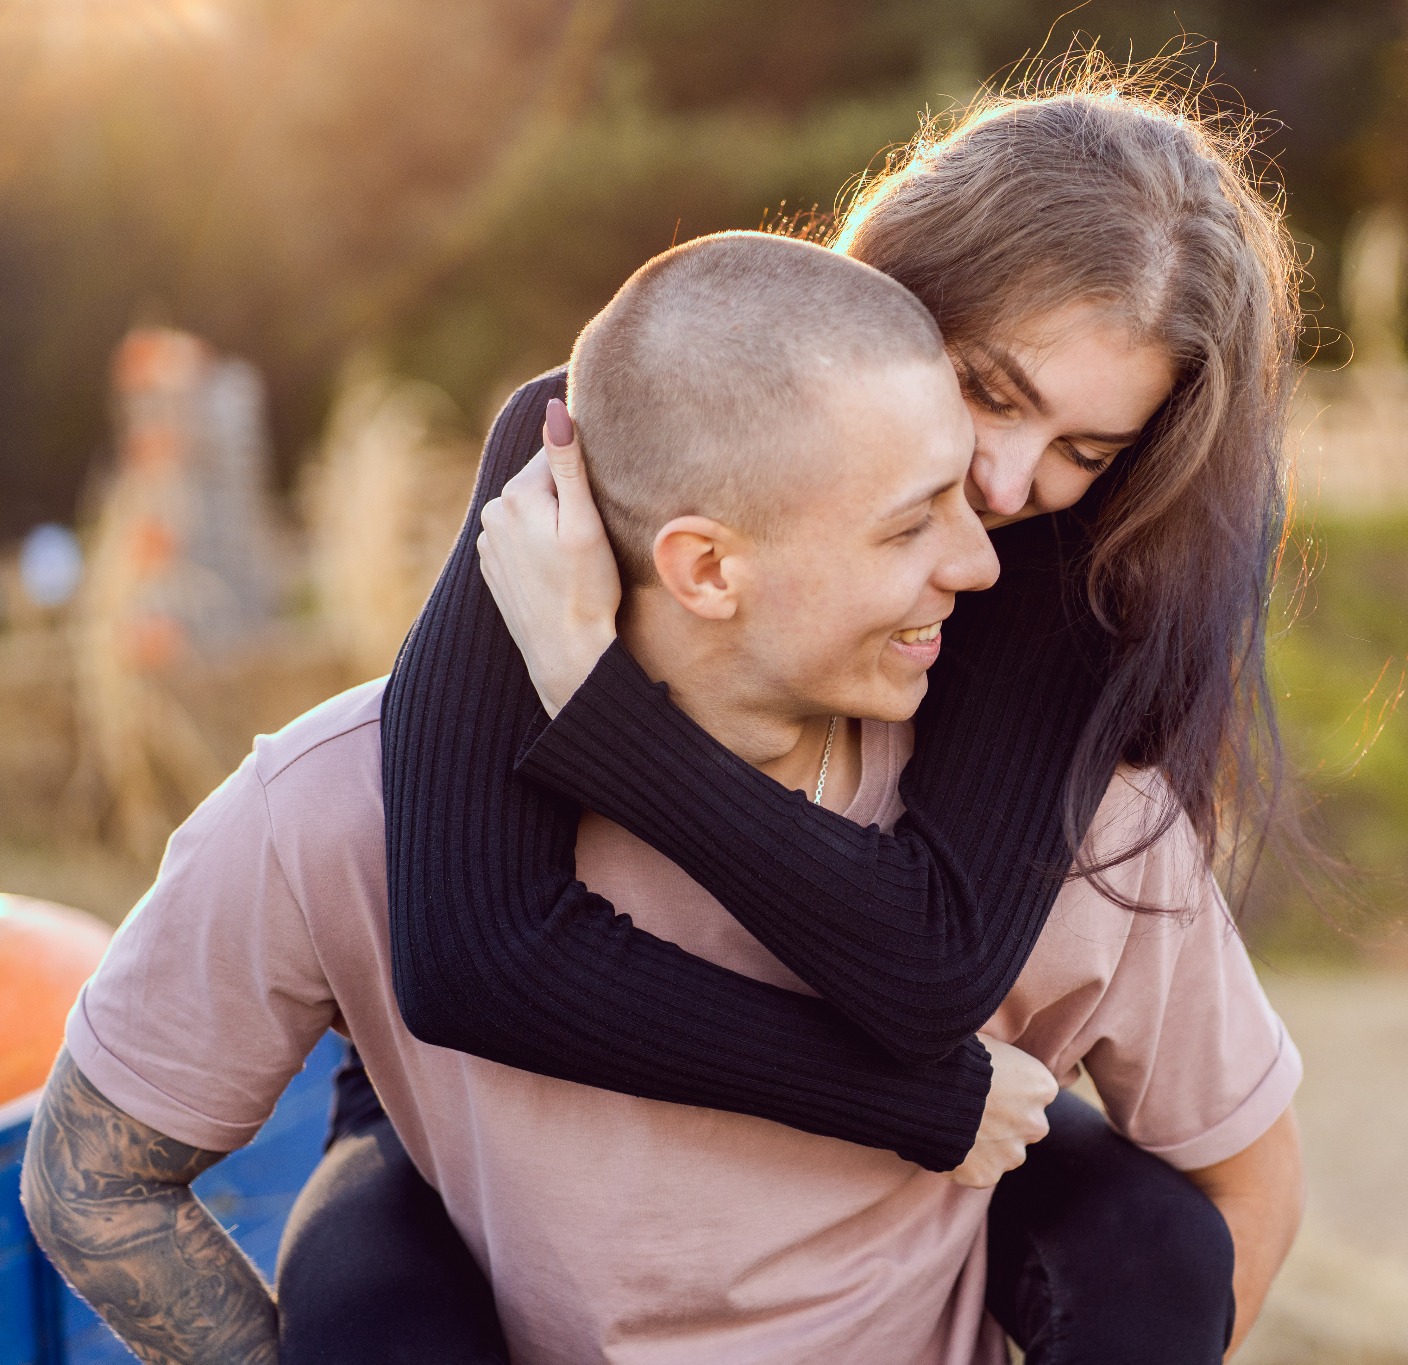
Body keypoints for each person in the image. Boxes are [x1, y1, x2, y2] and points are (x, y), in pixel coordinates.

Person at [22, 231, 1303, 1365]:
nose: (997, 533)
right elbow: (93, 1183)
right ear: (701, 563)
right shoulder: (332, 802)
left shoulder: (1077, 824)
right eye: (917, 516)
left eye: (1081, 451)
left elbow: (1238, 1193)